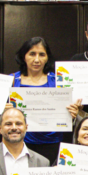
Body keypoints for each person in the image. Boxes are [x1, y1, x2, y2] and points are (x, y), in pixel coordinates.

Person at [11, 37, 62, 166]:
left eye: (42, 54)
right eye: (32, 54)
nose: (37, 59)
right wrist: (4, 109)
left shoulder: (58, 81)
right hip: (19, 141)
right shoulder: (11, 80)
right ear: (23, 56)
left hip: (52, 142)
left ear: (47, 58)